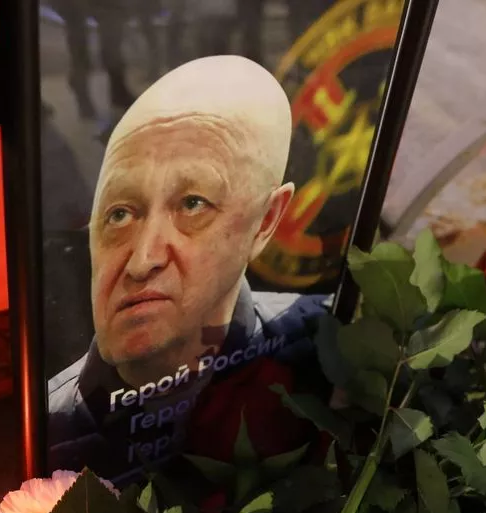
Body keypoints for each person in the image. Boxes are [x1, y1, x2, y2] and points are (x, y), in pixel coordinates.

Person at [45, 55, 328, 481]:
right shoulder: (46, 428)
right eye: (120, 214)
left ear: (266, 222)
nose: (142, 261)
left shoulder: (329, 340)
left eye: (193, 205)